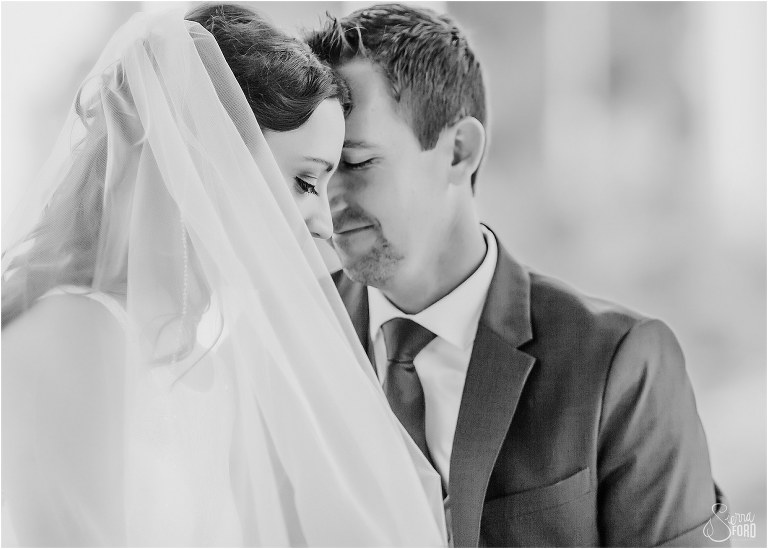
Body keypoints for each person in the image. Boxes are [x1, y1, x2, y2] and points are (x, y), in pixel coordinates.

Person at [1, 5, 446, 547]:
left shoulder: (203, 364)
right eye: (306, 181)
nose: (324, 225)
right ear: (205, 151)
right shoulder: (74, 333)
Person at [307, 4, 726, 547]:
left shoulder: (621, 361)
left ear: (459, 152)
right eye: (315, 171)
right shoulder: (293, 333)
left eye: (358, 163)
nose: (328, 200)